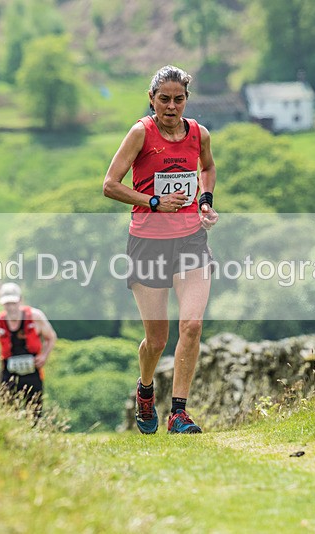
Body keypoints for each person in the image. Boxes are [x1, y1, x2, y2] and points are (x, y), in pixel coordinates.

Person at [102, 65, 219, 434]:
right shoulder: (141, 132)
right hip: (148, 242)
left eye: (178, 99)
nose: (171, 106)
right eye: (164, 99)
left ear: (186, 99)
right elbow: (109, 185)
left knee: (193, 324)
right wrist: (153, 202)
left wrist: (205, 201)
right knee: (157, 339)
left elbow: (208, 168)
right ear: (151, 99)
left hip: (191, 240)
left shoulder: (199, 133)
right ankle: (146, 389)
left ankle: (179, 413)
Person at [0, 282, 57, 417]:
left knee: (35, 412)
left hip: (33, 371)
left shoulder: (35, 317)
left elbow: (51, 337)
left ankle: (36, 435)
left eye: (13, 303)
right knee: (8, 412)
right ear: (2, 304)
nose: (11, 307)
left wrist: (44, 355)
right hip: (9, 372)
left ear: (20, 300)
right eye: (7, 304)